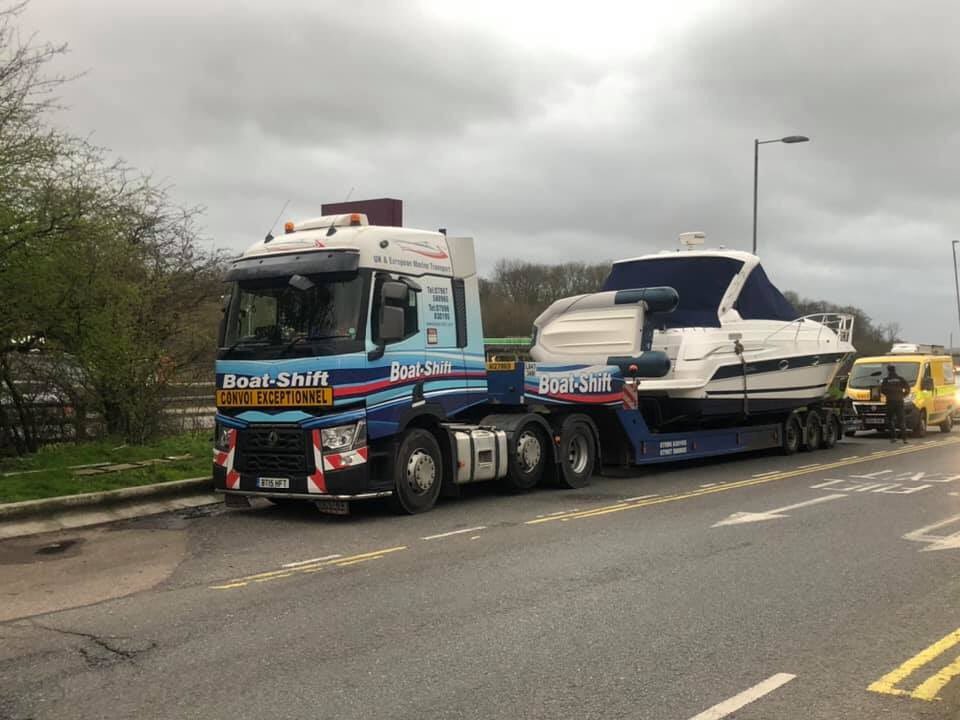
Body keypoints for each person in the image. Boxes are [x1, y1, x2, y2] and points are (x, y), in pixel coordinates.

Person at [879, 364, 910, 443]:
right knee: (901, 420)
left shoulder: (886, 380)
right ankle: (904, 438)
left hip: (890, 402)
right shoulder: (900, 379)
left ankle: (894, 437)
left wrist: (889, 395)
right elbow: (907, 388)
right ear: (895, 370)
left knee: (890, 420)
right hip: (899, 401)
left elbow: (882, 390)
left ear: (888, 371)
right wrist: (903, 395)